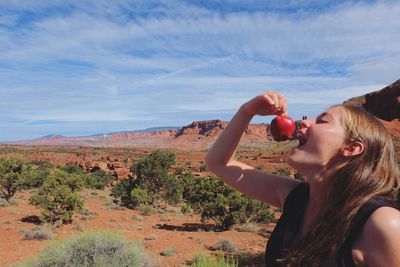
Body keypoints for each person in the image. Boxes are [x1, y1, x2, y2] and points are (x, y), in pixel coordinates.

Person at [205, 91, 400, 266]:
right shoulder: (296, 197)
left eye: (322, 121)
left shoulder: (382, 224)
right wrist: (247, 111)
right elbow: (219, 163)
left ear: (351, 148)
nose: (303, 121)